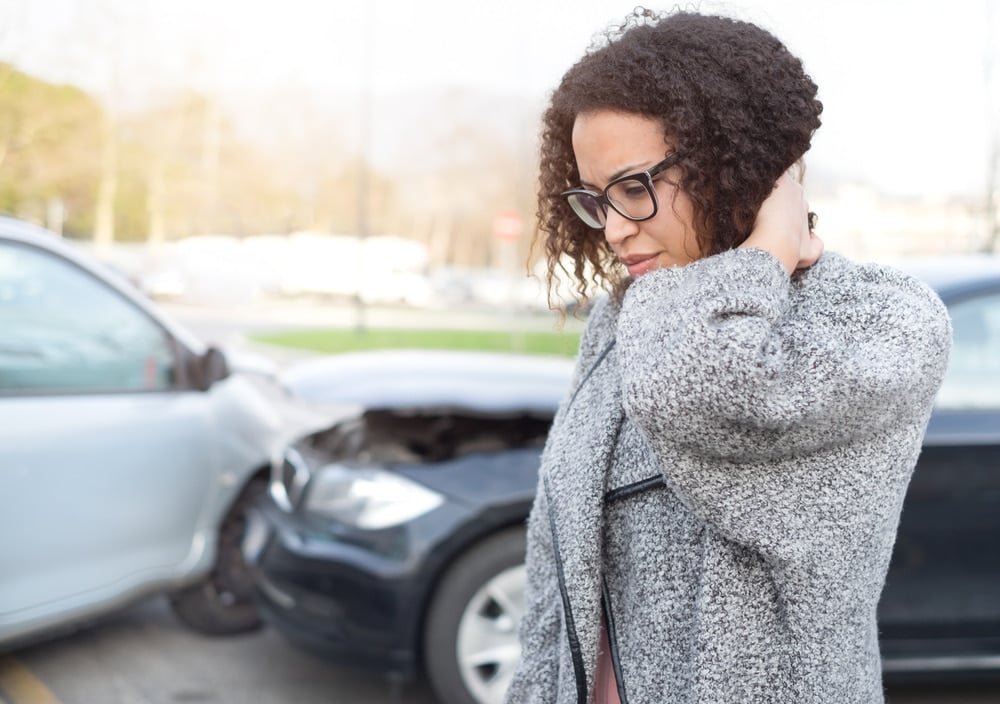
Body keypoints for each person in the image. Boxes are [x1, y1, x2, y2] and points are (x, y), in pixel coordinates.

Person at [505, 9, 952, 704]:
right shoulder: (625, 319)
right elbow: (556, 578)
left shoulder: (881, 319)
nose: (615, 230)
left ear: (733, 164)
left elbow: (703, 391)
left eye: (633, 187)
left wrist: (765, 249)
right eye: (597, 200)